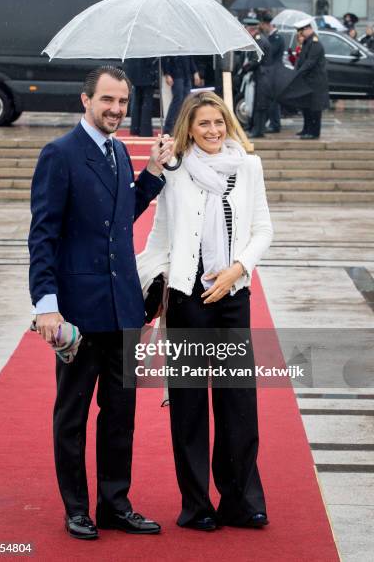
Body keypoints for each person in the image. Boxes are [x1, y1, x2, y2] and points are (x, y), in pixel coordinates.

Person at [28, 65, 173, 540]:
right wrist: (46, 305)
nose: (116, 109)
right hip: (78, 312)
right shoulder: (60, 154)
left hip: (123, 307)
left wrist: (152, 172)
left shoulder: (115, 151)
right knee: (71, 415)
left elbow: (121, 216)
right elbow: (43, 237)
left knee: (121, 415)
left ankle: (115, 503)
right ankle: (76, 508)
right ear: (85, 101)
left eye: (123, 102)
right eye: (107, 100)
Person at [137, 91, 273, 531]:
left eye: (219, 122)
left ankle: (240, 500)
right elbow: (160, 237)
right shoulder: (175, 171)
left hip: (232, 295)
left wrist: (236, 270)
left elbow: (263, 228)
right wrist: (149, 281)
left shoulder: (248, 166)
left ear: (228, 123)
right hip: (186, 300)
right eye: (203, 125)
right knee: (190, 407)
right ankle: (196, 506)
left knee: (239, 404)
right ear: (188, 130)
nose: (213, 131)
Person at [293, 18, 330, 139]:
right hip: (307, 81)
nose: (300, 34)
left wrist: (298, 73)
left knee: (315, 108)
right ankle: (306, 129)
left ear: (308, 29)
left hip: (315, 82)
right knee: (306, 107)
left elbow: (310, 62)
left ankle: (314, 132)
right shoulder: (307, 42)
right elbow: (301, 60)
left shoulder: (315, 43)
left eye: (301, 31)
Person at [242, 17, 272, 138]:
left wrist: (245, 68)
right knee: (255, 103)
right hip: (259, 76)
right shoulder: (256, 40)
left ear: (252, 29)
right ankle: (254, 127)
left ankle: (258, 130)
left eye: (246, 29)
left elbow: (256, 60)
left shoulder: (260, 41)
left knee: (260, 104)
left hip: (263, 76)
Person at [259, 12, 285, 133]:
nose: (262, 27)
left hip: (275, 71)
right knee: (270, 99)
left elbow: (270, 52)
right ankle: (272, 123)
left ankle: (275, 124)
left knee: (274, 100)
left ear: (267, 24)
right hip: (270, 72)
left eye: (262, 25)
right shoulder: (270, 37)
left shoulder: (277, 38)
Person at [163, 56, 201, 134]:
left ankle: (183, 127)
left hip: (186, 73)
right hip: (175, 73)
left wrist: (195, 72)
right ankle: (169, 128)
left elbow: (190, 57)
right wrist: (167, 74)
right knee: (177, 101)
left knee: (187, 102)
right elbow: (165, 57)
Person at [124, 57, 158, 137]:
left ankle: (135, 129)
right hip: (147, 74)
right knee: (146, 103)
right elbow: (151, 61)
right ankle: (145, 130)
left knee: (137, 102)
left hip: (136, 74)